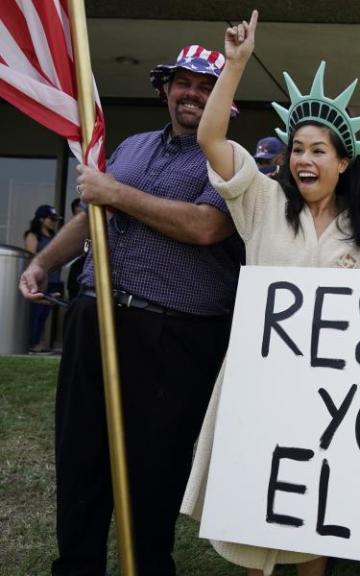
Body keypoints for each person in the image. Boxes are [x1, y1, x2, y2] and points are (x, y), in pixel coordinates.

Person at [18, 42, 242, 575]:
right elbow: (91, 214)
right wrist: (43, 263)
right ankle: (77, 565)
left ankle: (146, 566)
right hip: (95, 319)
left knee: (156, 462)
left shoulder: (229, 160)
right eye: (184, 83)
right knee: (81, 453)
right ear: (166, 90)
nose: (193, 95)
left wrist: (116, 193)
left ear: (223, 103)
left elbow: (206, 227)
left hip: (173, 333)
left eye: (208, 87)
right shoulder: (132, 147)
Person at [179, 12, 360, 576]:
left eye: (319, 151)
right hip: (259, 386)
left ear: (343, 163)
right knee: (255, 510)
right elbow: (210, 137)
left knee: (310, 519)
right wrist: (237, 63)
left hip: (326, 398)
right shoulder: (263, 203)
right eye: (297, 149)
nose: (304, 160)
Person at [23, 204, 63, 353]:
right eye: (51, 219)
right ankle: (32, 343)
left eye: (55, 219)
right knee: (36, 313)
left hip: (53, 280)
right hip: (39, 281)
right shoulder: (33, 235)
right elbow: (31, 257)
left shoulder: (53, 237)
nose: (53, 222)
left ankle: (38, 342)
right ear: (41, 219)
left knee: (44, 314)